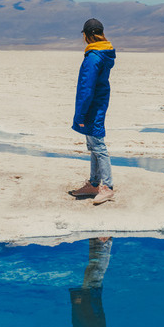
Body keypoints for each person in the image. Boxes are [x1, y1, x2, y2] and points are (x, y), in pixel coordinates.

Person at [68, 18, 116, 205]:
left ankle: (107, 187)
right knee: (94, 145)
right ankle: (94, 184)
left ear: (87, 36)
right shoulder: (103, 54)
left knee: (98, 145)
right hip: (98, 101)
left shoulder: (94, 57)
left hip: (92, 105)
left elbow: (86, 89)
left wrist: (80, 114)